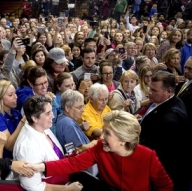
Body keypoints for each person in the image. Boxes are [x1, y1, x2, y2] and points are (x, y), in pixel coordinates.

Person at [26, 110, 173, 191]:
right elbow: (72, 164)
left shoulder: (147, 156)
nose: (101, 137)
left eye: (107, 133)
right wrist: (41, 167)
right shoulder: (100, 147)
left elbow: (166, 186)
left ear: (124, 139)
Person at [13, 95, 83, 191]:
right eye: (48, 113)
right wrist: (68, 189)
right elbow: (35, 187)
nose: (53, 116)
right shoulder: (27, 147)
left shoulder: (42, 126)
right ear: (34, 118)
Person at [140, 71, 191, 190]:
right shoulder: (170, 101)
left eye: (154, 90)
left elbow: (158, 152)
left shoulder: (170, 119)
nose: (149, 92)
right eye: (150, 88)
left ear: (168, 92)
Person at [0, 80, 24, 159]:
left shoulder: (15, 112)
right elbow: (9, 146)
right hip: (5, 162)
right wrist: (23, 121)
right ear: (0, 98)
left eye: (15, 93)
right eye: (10, 95)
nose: (16, 97)